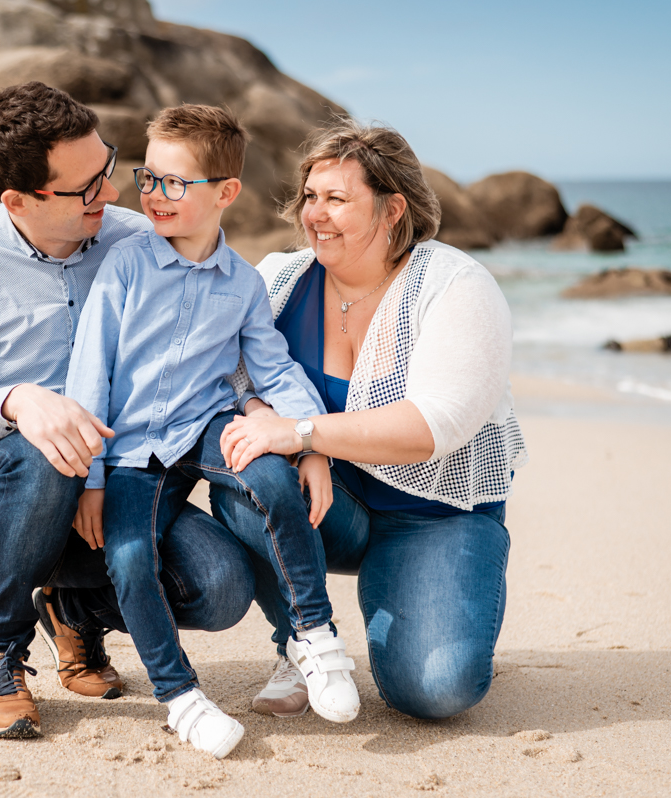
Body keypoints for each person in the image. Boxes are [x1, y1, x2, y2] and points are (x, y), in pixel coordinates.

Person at [0, 82, 255, 740]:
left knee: (221, 585)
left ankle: (75, 608)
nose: (115, 195)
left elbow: (218, 321)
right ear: (20, 200)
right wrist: (17, 401)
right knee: (49, 441)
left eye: (108, 169)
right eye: (87, 188)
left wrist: (269, 407)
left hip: (112, 490)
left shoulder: (136, 240)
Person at [65, 105, 361, 759]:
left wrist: (310, 445)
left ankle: (315, 633)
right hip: (131, 450)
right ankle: (179, 695)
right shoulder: (124, 267)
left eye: (175, 182)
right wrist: (89, 477)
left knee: (270, 479)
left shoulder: (243, 283)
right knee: (130, 559)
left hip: (204, 426)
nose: (154, 195)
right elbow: (88, 374)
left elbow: (273, 369)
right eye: (149, 177)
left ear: (226, 192)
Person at [215, 119, 527, 721]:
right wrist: (295, 443)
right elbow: (230, 379)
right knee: (246, 479)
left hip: (434, 515)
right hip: (330, 505)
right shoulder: (279, 278)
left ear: (392, 209)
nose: (315, 214)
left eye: (337, 199)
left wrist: (304, 433)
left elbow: (435, 425)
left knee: (437, 691)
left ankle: (442, 590)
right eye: (311, 196)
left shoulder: (454, 284)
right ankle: (304, 643)